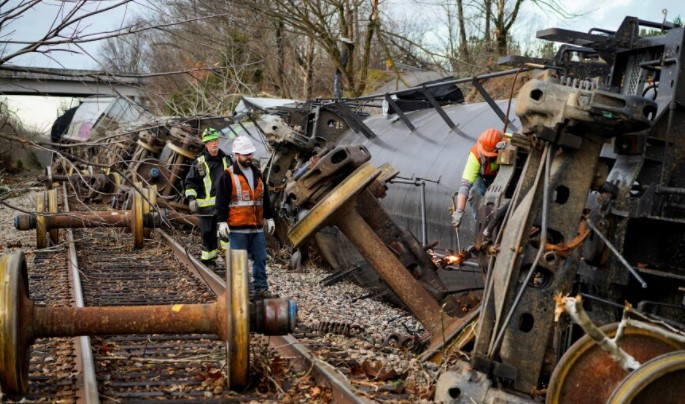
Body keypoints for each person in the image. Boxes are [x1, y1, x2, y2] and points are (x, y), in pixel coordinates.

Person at [215, 136, 275, 298]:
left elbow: (265, 198)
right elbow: (221, 201)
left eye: (250, 154)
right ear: (236, 155)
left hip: (256, 227)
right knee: (238, 263)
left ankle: (261, 289)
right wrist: (221, 222)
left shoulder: (258, 174)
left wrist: (269, 217)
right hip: (237, 228)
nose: (249, 157)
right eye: (245, 154)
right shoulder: (228, 175)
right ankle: (239, 293)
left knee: (260, 259)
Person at [184, 128, 233, 268]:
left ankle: (231, 260)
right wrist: (192, 198)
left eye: (216, 140)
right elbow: (190, 182)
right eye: (210, 141)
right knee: (208, 234)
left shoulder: (226, 160)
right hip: (205, 208)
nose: (214, 143)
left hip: (224, 206)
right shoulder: (199, 162)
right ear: (205, 144)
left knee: (227, 234)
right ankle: (209, 260)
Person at [452, 128, 506, 228]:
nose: (488, 157)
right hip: (482, 177)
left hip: (502, 175)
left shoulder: (508, 143)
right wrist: (459, 211)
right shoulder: (475, 155)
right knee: (476, 191)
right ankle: (481, 225)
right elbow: (465, 186)